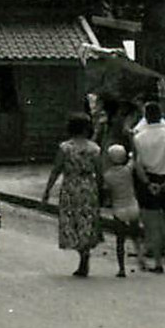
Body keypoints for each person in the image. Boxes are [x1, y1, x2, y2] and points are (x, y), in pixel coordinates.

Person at [42, 113, 104, 277]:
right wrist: (102, 190)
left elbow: (56, 169)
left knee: (72, 220)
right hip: (88, 186)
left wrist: (48, 190)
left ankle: (81, 253)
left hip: (70, 186)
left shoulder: (65, 148)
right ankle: (85, 253)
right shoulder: (94, 148)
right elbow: (100, 171)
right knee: (87, 219)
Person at [133, 101, 165, 271]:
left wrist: (148, 183)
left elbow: (138, 164)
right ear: (161, 115)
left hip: (149, 178)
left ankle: (157, 261)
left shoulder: (139, 137)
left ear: (146, 117)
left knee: (152, 221)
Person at [102, 143, 144, 277]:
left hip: (119, 208)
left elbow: (107, 192)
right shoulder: (127, 170)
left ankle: (121, 268)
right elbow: (135, 158)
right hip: (132, 205)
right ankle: (141, 259)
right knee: (136, 235)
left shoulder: (107, 176)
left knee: (120, 240)